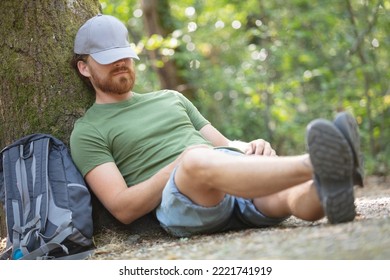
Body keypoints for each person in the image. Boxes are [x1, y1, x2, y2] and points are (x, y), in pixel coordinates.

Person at [70, 14, 363, 237]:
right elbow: (122, 208)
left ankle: (328, 185)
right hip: (187, 198)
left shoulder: (171, 98)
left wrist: (250, 148)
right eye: (109, 59)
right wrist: (178, 165)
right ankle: (321, 162)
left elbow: (222, 146)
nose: (121, 63)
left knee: (290, 195)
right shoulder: (88, 131)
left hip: (226, 175)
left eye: (124, 55)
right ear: (84, 67)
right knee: (197, 159)